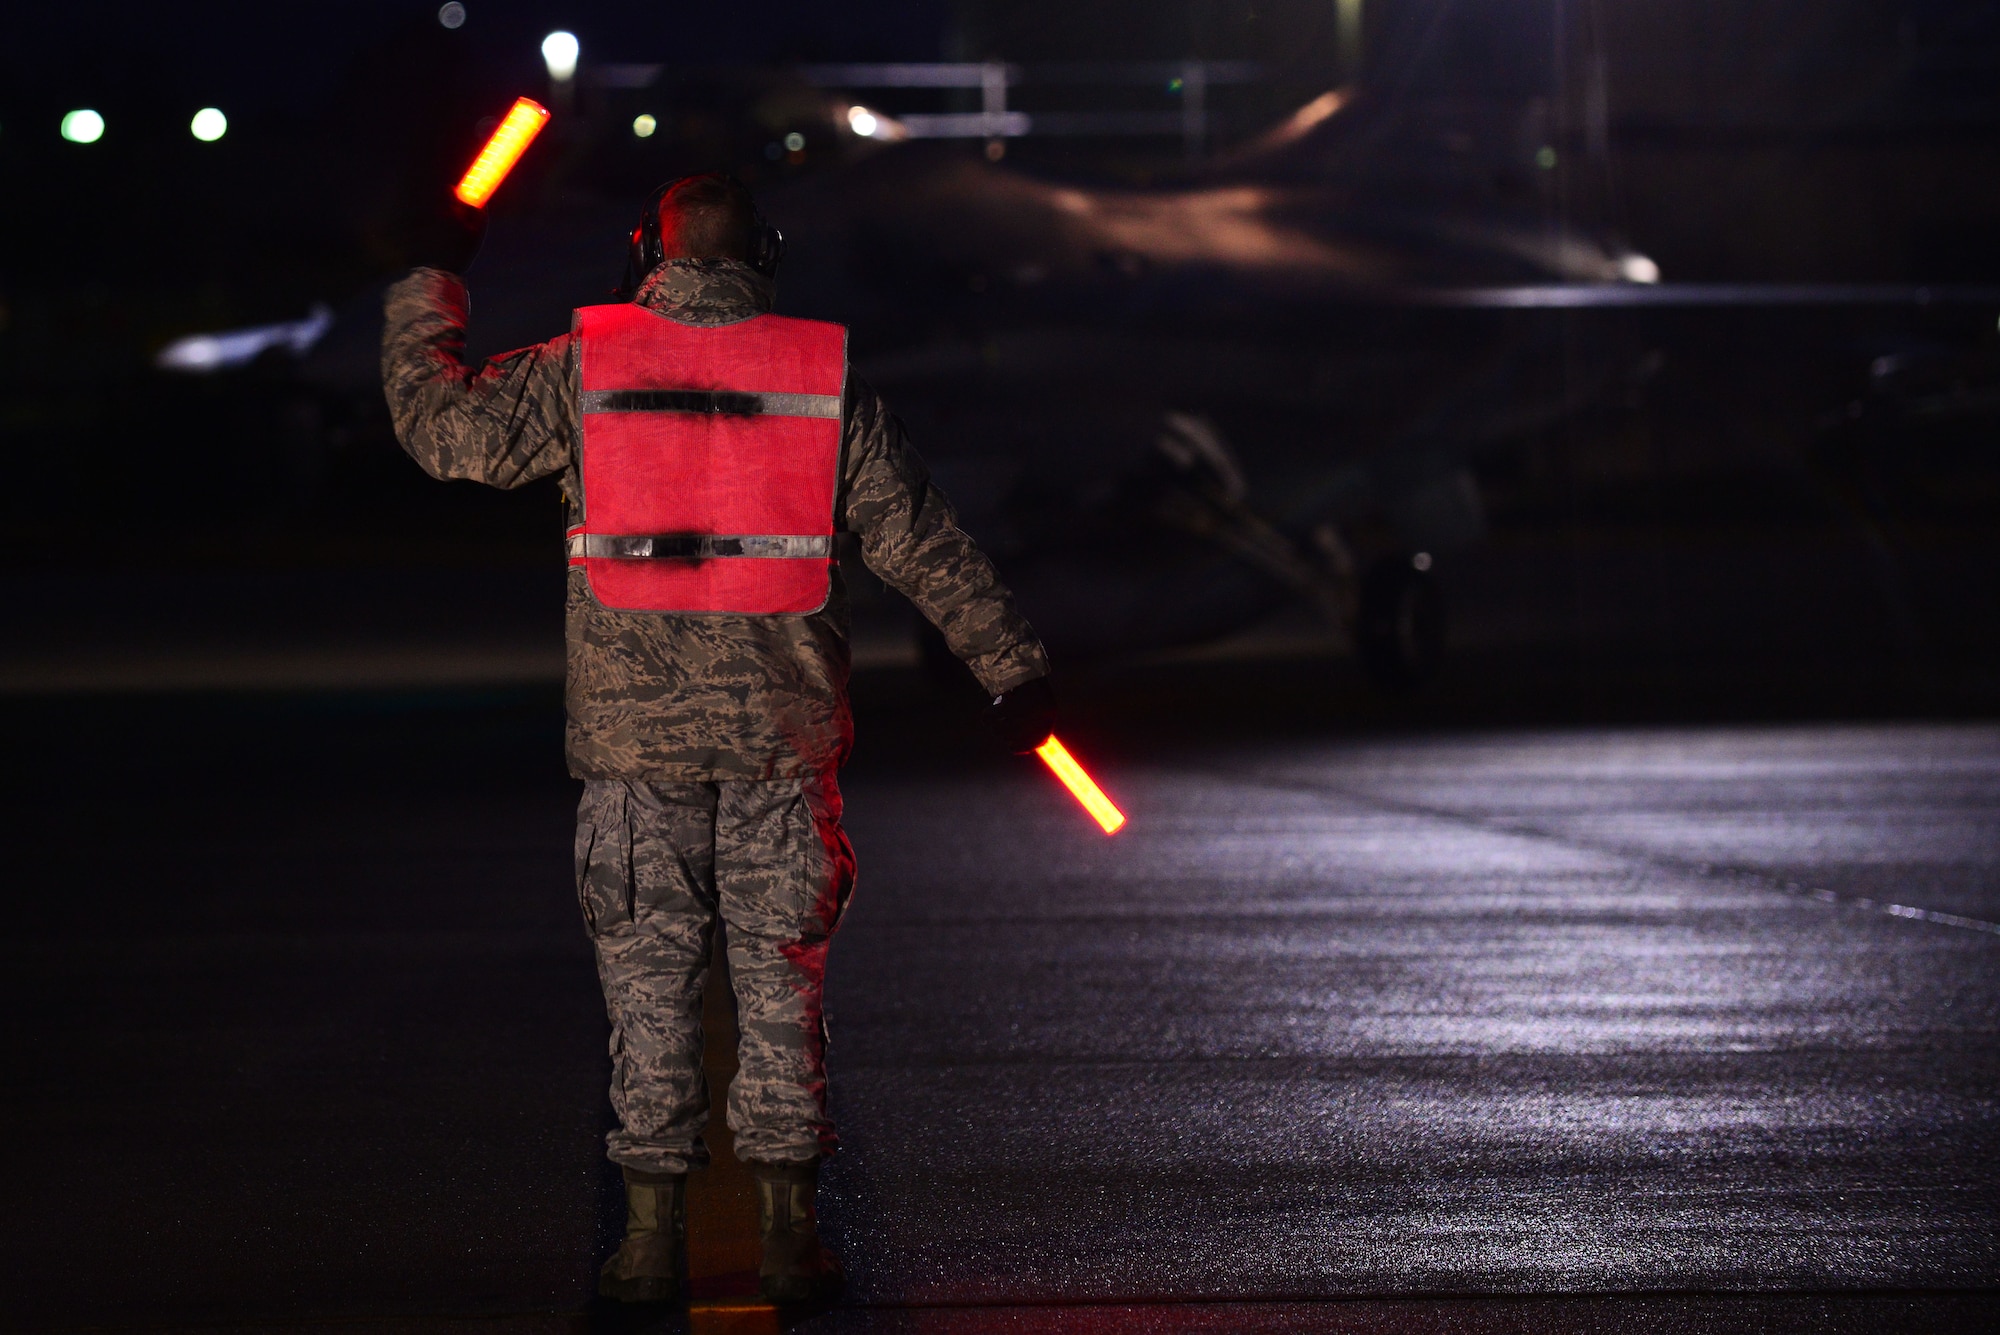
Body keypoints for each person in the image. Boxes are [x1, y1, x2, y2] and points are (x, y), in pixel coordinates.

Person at [380, 174, 1056, 1306]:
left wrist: (427, 283)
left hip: (633, 753)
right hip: (780, 750)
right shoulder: (819, 374)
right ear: (769, 251)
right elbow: (919, 537)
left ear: (646, 248)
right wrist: (1013, 670)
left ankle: (648, 1243)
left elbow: (444, 434)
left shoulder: (585, 364)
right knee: (782, 990)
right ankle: (791, 1238)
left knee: (646, 994)